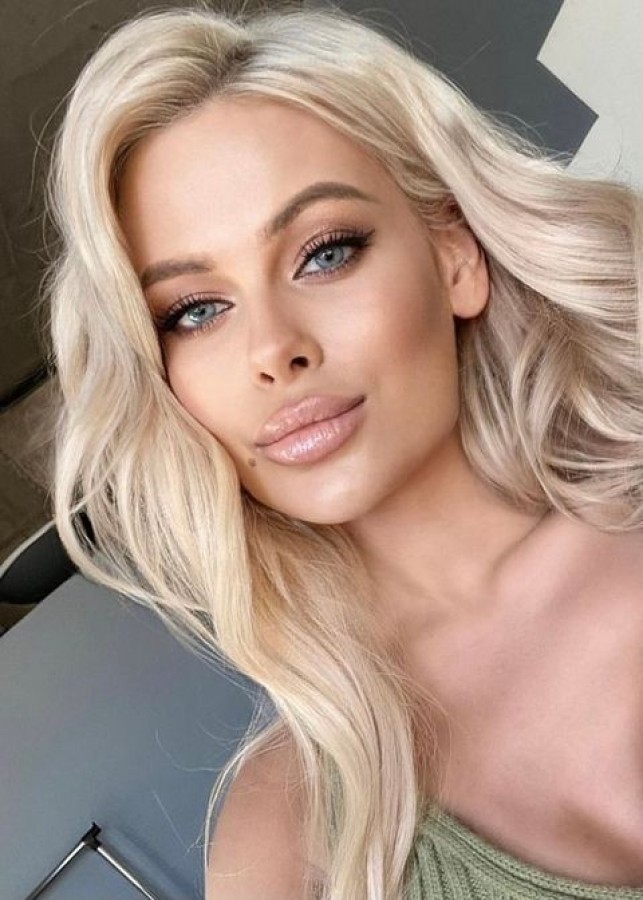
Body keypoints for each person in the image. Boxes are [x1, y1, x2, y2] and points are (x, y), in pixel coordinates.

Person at [46, 2, 643, 898]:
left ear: (454, 256)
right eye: (194, 311)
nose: (272, 350)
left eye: (324, 254)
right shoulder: (281, 842)